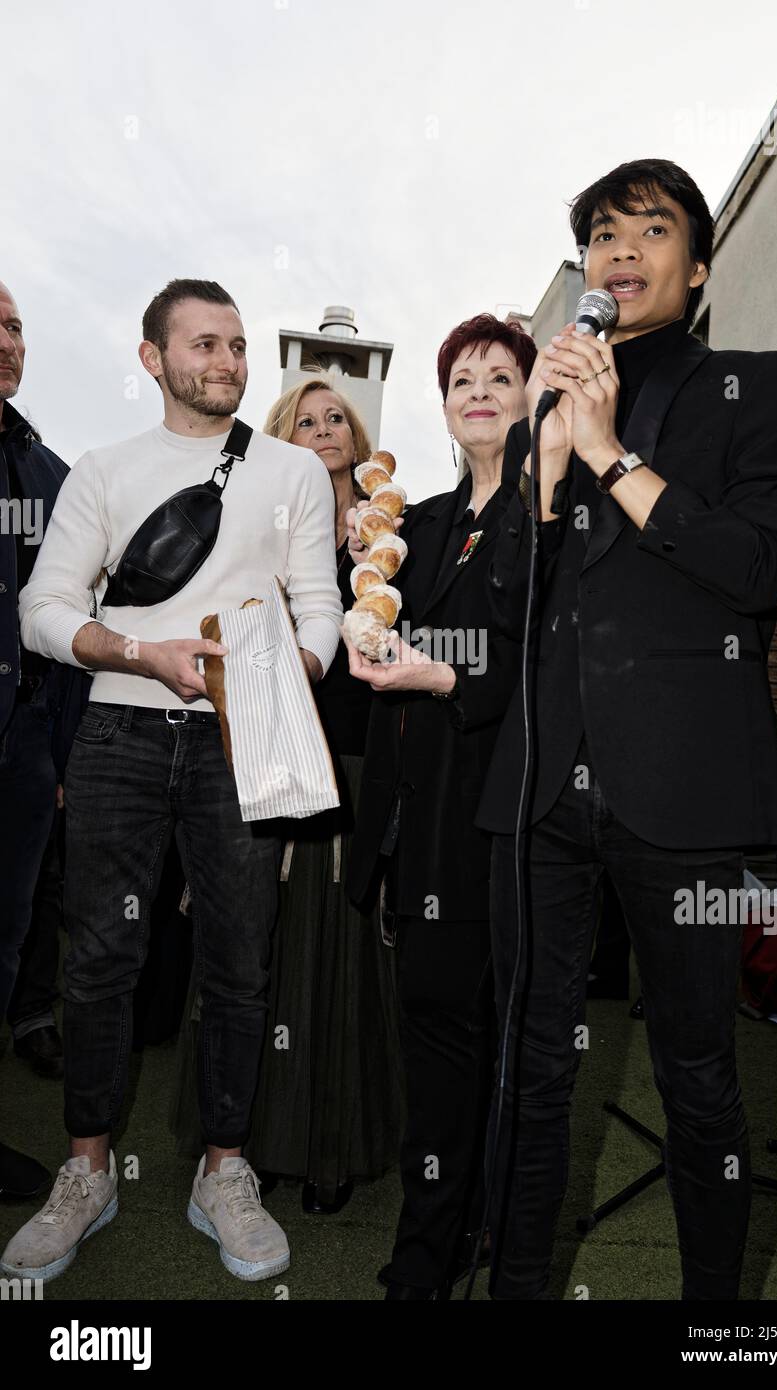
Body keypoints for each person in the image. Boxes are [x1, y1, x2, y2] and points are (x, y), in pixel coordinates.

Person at [477, 158, 777, 1300]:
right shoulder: (548, 405)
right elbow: (500, 607)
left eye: (650, 227)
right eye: (599, 232)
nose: (618, 249)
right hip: (540, 781)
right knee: (529, 1068)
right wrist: (539, 468)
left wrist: (612, 453)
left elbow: (758, 567)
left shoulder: (759, 384)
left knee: (698, 1075)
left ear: (699, 265)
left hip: (680, 787)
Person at [2, 279, 343, 1285]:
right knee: (103, 958)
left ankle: (222, 1170)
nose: (228, 361)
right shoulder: (103, 470)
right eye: (204, 344)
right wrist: (138, 651)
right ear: (153, 358)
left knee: (240, 960)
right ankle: (88, 1169)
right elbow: (42, 609)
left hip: (253, 734)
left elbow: (319, 602)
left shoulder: (291, 471)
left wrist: (289, 676)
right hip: (118, 729)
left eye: (238, 344)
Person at [171, 376, 404, 1214]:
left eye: (335, 417)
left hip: (355, 760)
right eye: (302, 421)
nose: (322, 430)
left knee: (340, 961)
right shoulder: (260, 528)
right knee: (252, 951)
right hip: (268, 752)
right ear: (281, 438)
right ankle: (248, 1145)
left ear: (356, 432)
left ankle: (331, 1148)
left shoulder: (392, 536)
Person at [345, 313, 535, 1299]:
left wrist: (444, 676)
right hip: (409, 825)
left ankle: (443, 1252)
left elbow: (536, 666)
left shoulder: (543, 519)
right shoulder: (416, 524)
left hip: (490, 823)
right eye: (461, 375)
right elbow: (370, 630)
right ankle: (445, 1233)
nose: (477, 388)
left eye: (499, 374)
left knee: (480, 1043)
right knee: (435, 1038)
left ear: (527, 396)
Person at [0, 280, 86, 1196]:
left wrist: (55, 756)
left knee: (9, 929)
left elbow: (67, 622)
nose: (7, 341)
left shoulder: (51, 476)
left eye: (16, 326)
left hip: (24, 739)